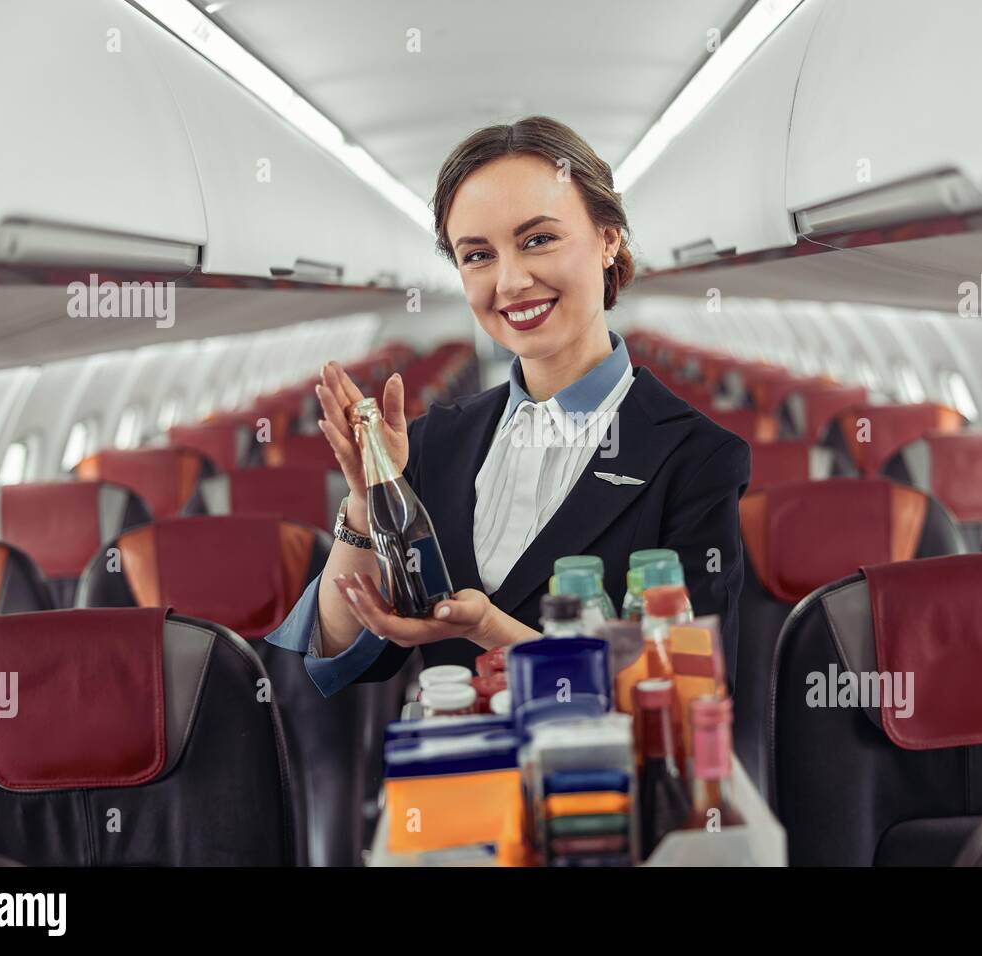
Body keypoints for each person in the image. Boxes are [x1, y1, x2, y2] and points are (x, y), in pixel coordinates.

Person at [265, 115, 751, 696]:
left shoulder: (696, 458)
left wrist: (495, 631)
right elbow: (343, 654)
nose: (511, 280)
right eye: (478, 256)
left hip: (602, 779)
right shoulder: (434, 441)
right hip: (453, 771)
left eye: (538, 240)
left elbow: (687, 688)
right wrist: (369, 503)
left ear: (608, 238)